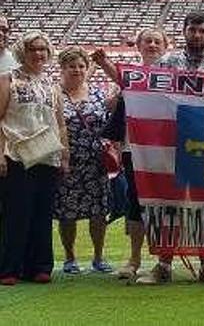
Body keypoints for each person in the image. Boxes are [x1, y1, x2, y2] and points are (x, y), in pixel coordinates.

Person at [137, 11, 204, 285]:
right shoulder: (167, 62)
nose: (197, 35)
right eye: (193, 30)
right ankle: (163, 264)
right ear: (184, 31)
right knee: (169, 204)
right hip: (171, 144)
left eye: (202, 31)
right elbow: (151, 100)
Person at [92, 27, 169, 281]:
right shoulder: (131, 76)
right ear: (138, 45)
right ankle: (134, 258)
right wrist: (104, 63)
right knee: (135, 200)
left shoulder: (173, 73)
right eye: (147, 41)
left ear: (165, 46)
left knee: (164, 202)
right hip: (133, 146)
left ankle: (162, 261)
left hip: (166, 147)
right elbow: (121, 79)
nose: (152, 45)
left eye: (157, 41)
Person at [0, 31, 69, 286]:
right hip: (17, 154)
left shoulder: (52, 86)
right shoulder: (8, 79)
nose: (38, 54)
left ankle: (40, 266)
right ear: (22, 52)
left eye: (42, 49)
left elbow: (60, 125)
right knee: (17, 213)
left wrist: (64, 156)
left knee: (42, 213)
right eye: (32, 49)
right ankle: (9, 268)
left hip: (47, 156)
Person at [53, 46, 117, 275]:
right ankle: (70, 257)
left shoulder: (98, 93)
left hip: (96, 162)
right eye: (72, 66)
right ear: (62, 68)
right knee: (66, 213)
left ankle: (99, 256)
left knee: (98, 212)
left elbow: (110, 118)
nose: (77, 70)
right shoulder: (54, 94)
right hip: (66, 161)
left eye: (81, 66)